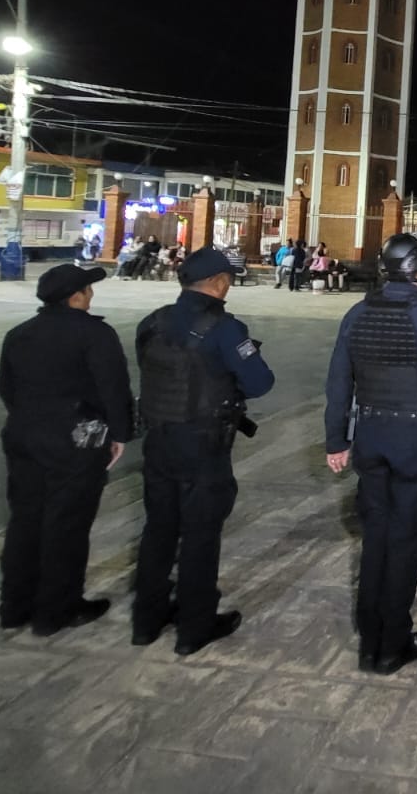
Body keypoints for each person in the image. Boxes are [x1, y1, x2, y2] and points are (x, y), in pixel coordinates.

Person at [325, 232, 417, 675]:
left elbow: (338, 383)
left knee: (376, 534)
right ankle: (392, 643)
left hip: (370, 436)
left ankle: (369, 634)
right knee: (406, 540)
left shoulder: (357, 314)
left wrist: (337, 440)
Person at [132, 247, 274, 655]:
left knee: (158, 530)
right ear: (218, 282)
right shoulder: (225, 328)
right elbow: (260, 382)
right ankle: (195, 627)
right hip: (203, 445)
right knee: (199, 535)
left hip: (159, 440)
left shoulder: (153, 321)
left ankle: (147, 619)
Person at [0, 261, 133, 635]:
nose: (91, 295)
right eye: (88, 289)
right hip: (76, 438)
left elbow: (6, 389)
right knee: (66, 523)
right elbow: (113, 388)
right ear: (77, 297)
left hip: (24, 434)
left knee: (25, 519)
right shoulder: (94, 334)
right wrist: (121, 433)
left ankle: (14, 606)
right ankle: (56, 609)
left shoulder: (19, 333)